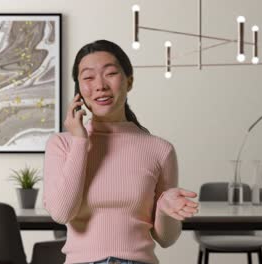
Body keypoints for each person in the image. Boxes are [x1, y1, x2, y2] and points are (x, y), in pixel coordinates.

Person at [43, 39, 199, 264]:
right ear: (79, 90)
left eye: (110, 73)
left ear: (129, 81)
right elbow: (61, 213)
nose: (100, 85)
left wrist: (164, 209)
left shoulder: (159, 149)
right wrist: (80, 142)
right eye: (88, 77)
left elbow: (166, 239)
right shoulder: (62, 144)